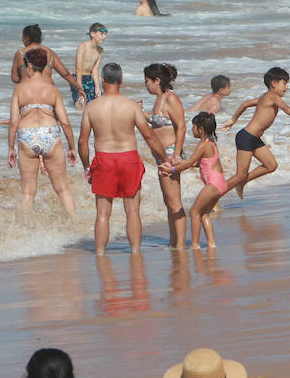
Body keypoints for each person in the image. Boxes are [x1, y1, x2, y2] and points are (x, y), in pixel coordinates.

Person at [77, 63, 170, 254]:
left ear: (102, 81)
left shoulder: (91, 107)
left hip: (104, 159)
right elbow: (150, 136)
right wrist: (164, 159)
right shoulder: (131, 106)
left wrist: (87, 167)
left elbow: (82, 142)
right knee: (133, 211)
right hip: (128, 158)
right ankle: (135, 251)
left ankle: (101, 254)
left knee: (102, 213)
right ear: (121, 80)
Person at [221, 67, 290, 199]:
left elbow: (245, 104)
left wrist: (234, 120)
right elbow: (288, 110)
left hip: (253, 138)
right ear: (274, 84)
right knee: (240, 174)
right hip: (246, 137)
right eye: (284, 83)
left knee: (271, 165)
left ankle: (242, 182)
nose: (287, 87)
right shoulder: (273, 96)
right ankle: (214, 197)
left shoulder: (265, 97)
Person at [7, 48, 78, 216]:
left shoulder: (20, 89)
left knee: (28, 192)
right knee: (63, 189)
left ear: (29, 66)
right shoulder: (52, 90)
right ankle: (75, 224)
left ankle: (23, 230)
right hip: (50, 134)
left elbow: (14, 122)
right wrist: (71, 147)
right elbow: (65, 122)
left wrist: (10, 147)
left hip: (27, 136)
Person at [163, 112, 229, 250]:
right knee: (204, 213)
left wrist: (172, 170)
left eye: (193, 127)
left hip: (213, 184)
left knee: (194, 212)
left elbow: (188, 164)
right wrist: (183, 162)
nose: (192, 130)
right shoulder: (211, 143)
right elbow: (200, 163)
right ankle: (211, 244)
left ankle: (195, 244)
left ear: (201, 129)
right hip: (221, 184)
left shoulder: (202, 145)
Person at [145, 63, 188, 248]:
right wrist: (144, 114)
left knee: (174, 201)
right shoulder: (159, 98)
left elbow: (181, 126)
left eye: (147, 81)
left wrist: (177, 153)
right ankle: (173, 242)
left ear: (157, 80)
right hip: (161, 155)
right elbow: (159, 123)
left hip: (171, 153)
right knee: (168, 201)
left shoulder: (170, 98)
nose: (145, 85)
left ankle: (180, 244)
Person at [73, 23, 108, 104]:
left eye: (105, 34)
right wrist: (79, 87)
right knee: (80, 103)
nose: (104, 37)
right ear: (92, 34)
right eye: (101, 34)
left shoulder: (100, 50)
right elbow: (78, 68)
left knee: (95, 102)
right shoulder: (83, 46)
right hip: (77, 78)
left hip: (89, 78)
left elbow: (95, 69)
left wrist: (97, 87)